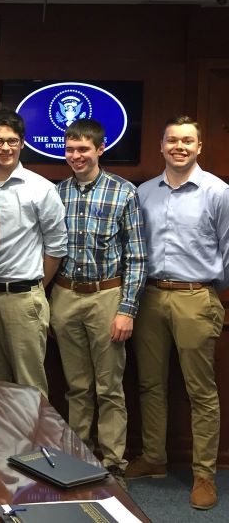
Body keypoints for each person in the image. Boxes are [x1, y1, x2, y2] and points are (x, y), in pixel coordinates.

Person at [126, 116, 229, 510]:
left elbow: (227, 250)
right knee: (150, 384)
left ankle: (204, 473)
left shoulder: (218, 193)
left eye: (187, 141)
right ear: (162, 146)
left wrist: (206, 290)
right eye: (172, 140)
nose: (179, 147)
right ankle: (154, 458)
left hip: (195, 297)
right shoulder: (145, 193)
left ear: (199, 147)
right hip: (150, 296)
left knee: (200, 391)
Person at [50, 118, 147, 487]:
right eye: (70, 149)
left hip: (107, 296)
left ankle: (112, 464)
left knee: (109, 386)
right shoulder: (58, 193)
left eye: (83, 149)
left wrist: (127, 309)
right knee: (76, 385)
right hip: (65, 294)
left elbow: (137, 257)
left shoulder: (124, 193)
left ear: (100, 149)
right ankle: (80, 457)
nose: (75, 156)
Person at [0, 109, 67, 396]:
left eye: (12, 141)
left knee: (30, 388)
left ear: (22, 144)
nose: (5, 147)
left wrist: (35, 289)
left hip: (24, 300)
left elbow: (56, 247)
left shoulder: (41, 189)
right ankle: (4, 444)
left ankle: (35, 443)